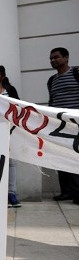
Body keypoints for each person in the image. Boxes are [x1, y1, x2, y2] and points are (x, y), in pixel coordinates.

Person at [0, 64, 22, 208]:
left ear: (2, 76)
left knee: (11, 162)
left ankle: (11, 193)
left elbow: (18, 107)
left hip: (9, 129)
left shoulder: (10, 90)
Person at [47, 47, 79, 205]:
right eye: (51, 58)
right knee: (60, 156)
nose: (53, 60)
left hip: (77, 124)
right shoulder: (52, 80)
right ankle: (67, 191)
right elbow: (52, 101)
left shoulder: (76, 73)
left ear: (66, 58)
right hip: (59, 125)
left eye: (56, 57)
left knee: (76, 156)